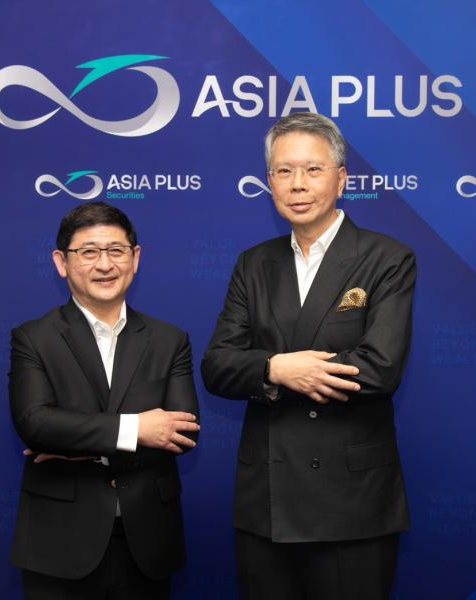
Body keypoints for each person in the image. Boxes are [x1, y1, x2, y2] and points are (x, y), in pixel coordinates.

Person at [202, 112, 415, 600]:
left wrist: (282, 370)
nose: (297, 184)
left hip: (352, 503)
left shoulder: (387, 258)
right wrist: (277, 369)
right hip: (268, 500)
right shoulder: (254, 263)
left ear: (341, 179)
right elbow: (217, 365)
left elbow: (380, 368)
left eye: (313, 170)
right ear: (270, 181)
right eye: (284, 171)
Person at [9, 202, 200, 600]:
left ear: (136, 258)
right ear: (61, 262)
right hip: (59, 541)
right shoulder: (34, 338)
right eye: (89, 252)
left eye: (116, 250)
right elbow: (36, 425)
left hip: (147, 540)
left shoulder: (169, 340)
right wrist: (136, 429)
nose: (105, 264)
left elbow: (181, 432)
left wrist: (73, 445)